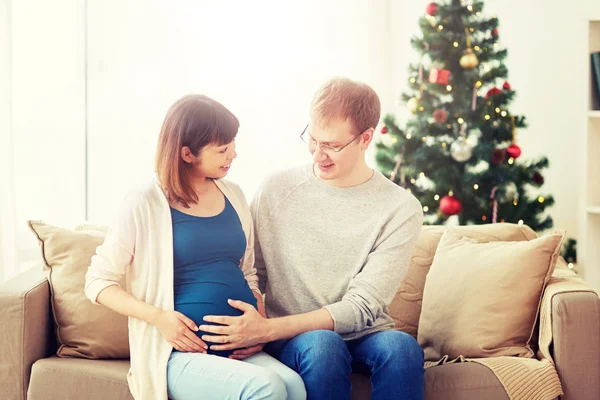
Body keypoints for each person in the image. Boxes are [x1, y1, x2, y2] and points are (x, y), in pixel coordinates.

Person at [197, 78, 425, 400]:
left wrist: (268, 329)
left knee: (402, 348)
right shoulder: (275, 189)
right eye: (312, 139)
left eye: (332, 145)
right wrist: (256, 323)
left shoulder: (400, 208)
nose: (318, 155)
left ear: (366, 138)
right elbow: (249, 268)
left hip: (364, 334)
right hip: (297, 340)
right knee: (322, 344)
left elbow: (362, 306)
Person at [84, 94, 306, 400]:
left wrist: (259, 322)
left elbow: (248, 271)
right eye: (223, 149)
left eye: (233, 145)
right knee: (267, 388)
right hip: (177, 354)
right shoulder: (144, 202)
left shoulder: (234, 194)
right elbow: (97, 281)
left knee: (294, 387)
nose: (234, 154)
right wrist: (159, 318)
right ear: (187, 154)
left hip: (238, 351)